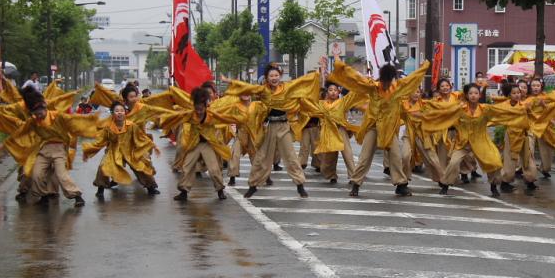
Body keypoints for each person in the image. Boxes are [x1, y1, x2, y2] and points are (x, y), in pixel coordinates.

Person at [419, 83, 550, 197]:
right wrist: (428, 113)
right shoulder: (460, 109)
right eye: (471, 93)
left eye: (476, 93)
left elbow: (502, 112)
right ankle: (445, 185)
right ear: (466, 95)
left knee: (494, 162)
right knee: (453, 162)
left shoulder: (485, 109)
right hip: (463, 142)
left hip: (481, 141)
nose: (474, 95)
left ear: (479, 95)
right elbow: (444, 113)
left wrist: (521, 111)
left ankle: (494, 186)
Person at [328, 59, 429, 197]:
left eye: (389, 81)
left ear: (392, 79)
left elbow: (412, 79)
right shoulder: (373, 87)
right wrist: (342, 67)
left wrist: (423, 68)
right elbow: (356, 78)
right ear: (381, 79)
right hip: (373, 127)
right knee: (365, 155)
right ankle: (356, 183)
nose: (386, 84)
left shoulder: (398, 87)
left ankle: (401, 184)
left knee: (395, 156)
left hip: (389, 129)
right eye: (384, 81)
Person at [0, 87, 99, 206]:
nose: (38, 116)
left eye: (40, 113)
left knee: (60, 174)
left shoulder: (58, 116)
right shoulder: (32, 120)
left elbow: (74, 121)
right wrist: (3, 144)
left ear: (44, 107)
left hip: (59, 149)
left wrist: (91, 122)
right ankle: (42, 195)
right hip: (41, 148)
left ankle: (76, 196)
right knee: (35, 173)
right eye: (35, 114)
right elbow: (19, 132)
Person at [227, 63, 320, 199]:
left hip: (284, 126)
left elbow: (301, 82)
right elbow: (249, 88)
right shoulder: (263, 90)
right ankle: (253, 185)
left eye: (276, 75)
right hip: (269, 127)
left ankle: (300, 186)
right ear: (267, 77)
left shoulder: (286, 88)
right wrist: (229, 81)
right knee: (262, 156)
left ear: (280, 76)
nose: (274, 78)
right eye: (271, 76)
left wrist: (317, 75)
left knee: (291, 156)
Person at [159, 87, 231, 201]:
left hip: (208, 144)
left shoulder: (212, 115)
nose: (199, 111)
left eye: (201, 109)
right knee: (187, 167)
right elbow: (175, 117)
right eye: (196, 109)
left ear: (205, 106)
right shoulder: (189, 115)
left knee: (213, 169)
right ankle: (184, 192)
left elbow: (225, 118)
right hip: (194, 144)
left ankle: (220, 190)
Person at [82, 100, 161, 197]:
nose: (119, 112)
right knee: (103, 167)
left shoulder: (131, 125)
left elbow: (142, 138)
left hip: (130, 151)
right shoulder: (107, 127)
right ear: (112, 113)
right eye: (117, 111)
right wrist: (87, 151)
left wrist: (154, 146)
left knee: (141, 167)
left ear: (125, 112)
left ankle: (151, 187)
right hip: (114, 151)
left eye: (122, 110)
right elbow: (99, 142)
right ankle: (100, 189)